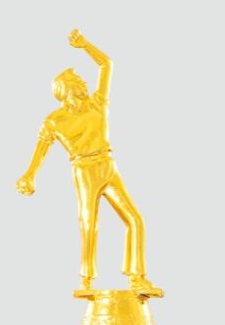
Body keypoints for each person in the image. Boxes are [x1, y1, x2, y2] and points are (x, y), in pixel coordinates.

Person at [16, 29, 159, 293]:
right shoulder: (55, 120)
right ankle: (87, 279)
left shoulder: (97, 104)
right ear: (66, 88)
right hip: (84, 169)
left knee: (135, 219)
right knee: (89, 222)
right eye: (78, 80)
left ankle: (137, 276)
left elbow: (106, 64)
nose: (83, 83)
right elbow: (42, 146)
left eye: (82, 79)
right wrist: (29, 174)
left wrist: (85, 46)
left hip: (108, 166)